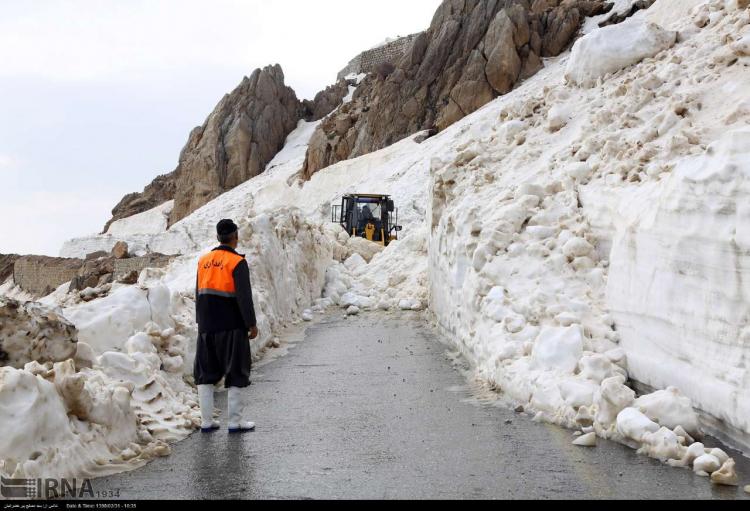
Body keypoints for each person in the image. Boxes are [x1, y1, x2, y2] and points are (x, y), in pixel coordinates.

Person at [194, 219, 259, 434]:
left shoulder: (203, 261)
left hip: (206, 326)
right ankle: (235, 422)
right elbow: (244, 296)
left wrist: (200, 322)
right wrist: (251, 324)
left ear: (217, 237)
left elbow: (198, 293)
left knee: (205, 373)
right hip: (231, 325)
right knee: (236, 370)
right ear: (235, 237)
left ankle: (206, 421)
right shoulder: (236, 262)